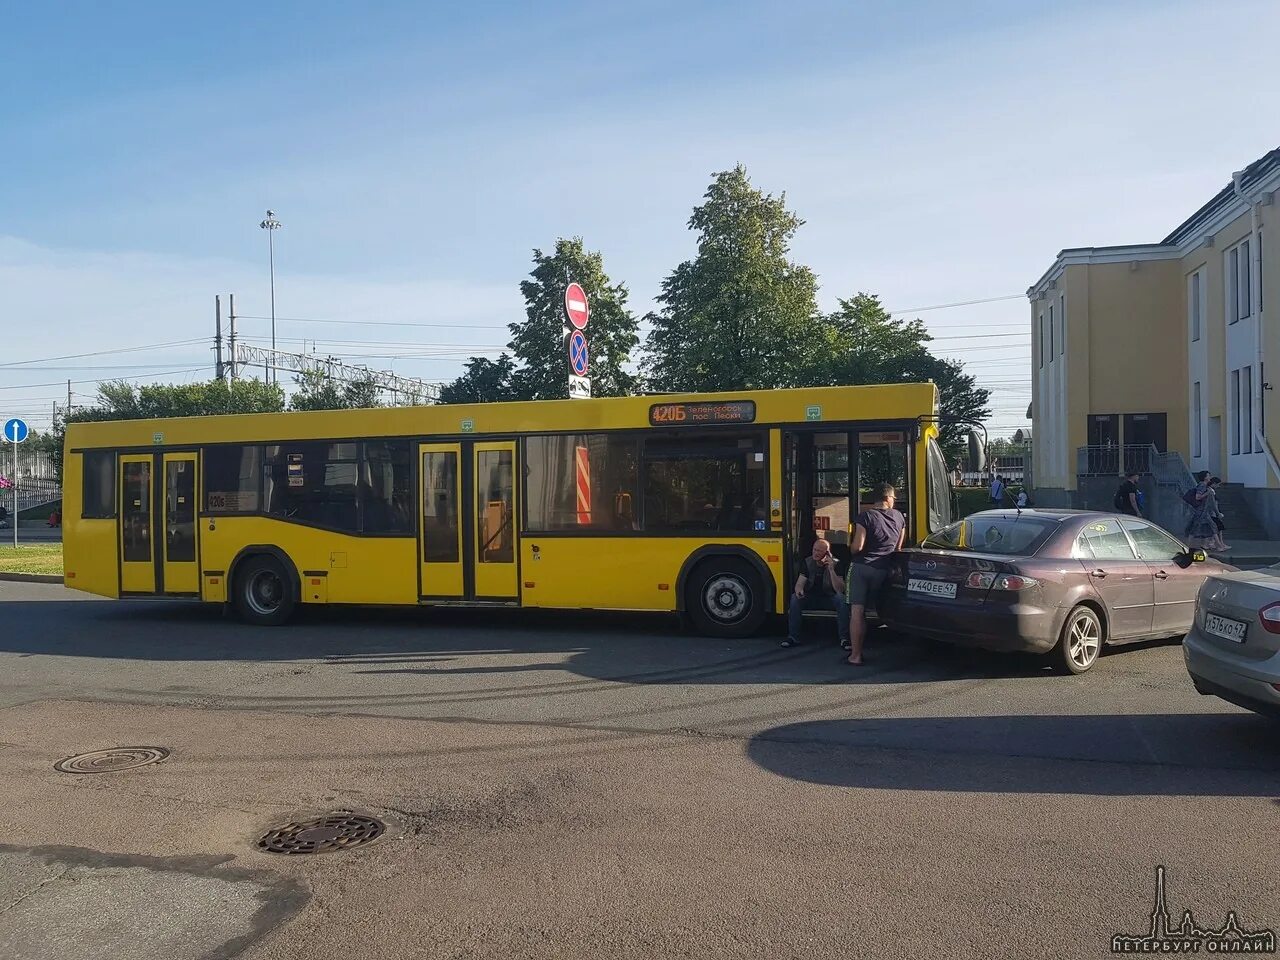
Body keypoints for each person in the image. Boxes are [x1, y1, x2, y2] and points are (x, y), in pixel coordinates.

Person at [845, 482, 907, 665]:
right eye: (894, 498)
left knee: (857, 611)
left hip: (861, 568)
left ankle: (855, 655)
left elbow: (858, 546)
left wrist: (850, 547)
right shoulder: (899, 518)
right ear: (888, 499)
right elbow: (898, 547)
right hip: (882, 569)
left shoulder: (865, 517)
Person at [782, 537, 850, 648]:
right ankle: (793, 637)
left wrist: (831, 569)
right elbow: (800, 583)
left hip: (829, 598)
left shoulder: (837, 564)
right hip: (812, 598)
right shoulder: (808, 562)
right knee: (795, 598)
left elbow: (840, 589)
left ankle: (844, 639)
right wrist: (799, 591)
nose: (815, 553)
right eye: (814, 550)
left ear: (827, 552)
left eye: (819, 551)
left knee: (841, 599)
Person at [1184, 471, 1217, 549]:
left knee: (1206, 527)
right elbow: (1198, 497)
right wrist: (1207, 493)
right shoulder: (1202, 485)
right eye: (1208, 475)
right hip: (1200, 511)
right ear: (1205, 477)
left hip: (1203, 511)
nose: (1210, 477)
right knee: (1210, 527)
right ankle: (1216, 545)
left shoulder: (1204, 485)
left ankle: (1206, 544)